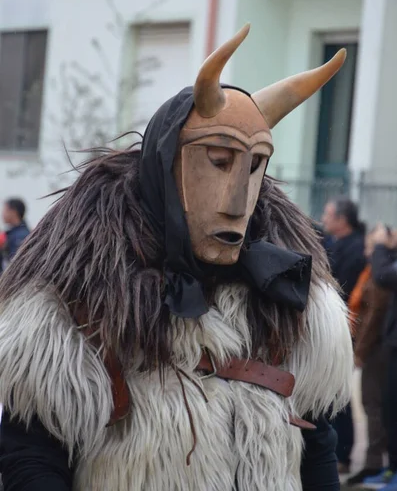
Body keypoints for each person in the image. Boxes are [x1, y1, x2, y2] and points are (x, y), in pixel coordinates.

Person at [0, 25, 352, 490]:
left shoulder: (289, 301)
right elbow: (33, 449)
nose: (236, 199)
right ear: (169, 165)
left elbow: (316, 443)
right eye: (219, 160)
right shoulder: (78, 300)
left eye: (254, 165)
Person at [321, 196, 367, 475]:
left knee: (339, 395)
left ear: (342, 219)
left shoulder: (356, 249)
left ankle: (343, 454)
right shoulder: (336, 244)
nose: (324, 219)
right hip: (335, 327)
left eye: (328, 215)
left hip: (345, 330)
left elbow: (342, 289)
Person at [346, 229, 389, 487]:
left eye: (371, 248)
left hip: (376, 349)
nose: (366, 253)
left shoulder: (378, 276)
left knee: (373, 406)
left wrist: (359, 352)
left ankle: (375, 464)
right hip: (372, 347)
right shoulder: (371, 272)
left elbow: (373, 317)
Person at [362, 224, 397, 490]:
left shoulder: (388, 258)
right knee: (388, 408)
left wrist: (381, 246)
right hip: (392, 345)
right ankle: (392, 469)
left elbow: (384, 276)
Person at [0, 198, 30, 269]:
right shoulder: (11, 234)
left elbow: (16, 265)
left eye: (5, 210)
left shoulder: (21, 236)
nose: (2, 213)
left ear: (13, 211)